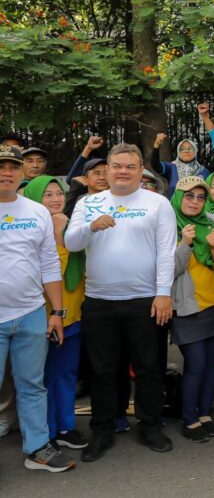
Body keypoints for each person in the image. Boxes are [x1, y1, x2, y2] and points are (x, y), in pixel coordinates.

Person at [65, 143, 177, 460]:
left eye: (130, 166)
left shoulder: (157, 203)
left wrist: (163, 293)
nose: (123, 171)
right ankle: (102, 430)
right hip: (100, 301)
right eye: (117, 166)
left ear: (140, 170)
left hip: (145, 301)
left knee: (148, 368)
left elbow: (166, 252)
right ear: (108, 170)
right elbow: (71, 243)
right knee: (102, 371)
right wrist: (91, 226)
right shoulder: (89, 203)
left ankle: (151, 425)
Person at [0, 147, 76, 472]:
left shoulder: (36, 211)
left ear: (21, 172)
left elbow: (48, 263)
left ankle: (37, 450)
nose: (6, 172)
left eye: (12, 166)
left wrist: (57, 313)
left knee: (32, 384)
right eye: (0, 166)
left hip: (31, 312)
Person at [23, 177, 87, 451]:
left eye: (58, 193)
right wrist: (58, 237)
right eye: (46, 195)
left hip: (74, 316)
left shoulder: (70, 226)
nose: (55, 199)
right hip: (45, 316)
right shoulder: (31, 233)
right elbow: (50, 276)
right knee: (44, 379)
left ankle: (65, 426)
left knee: (67, 374)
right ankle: (44, 433)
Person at [169, 177, 214, 443]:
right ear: (179, 197)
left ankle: (204, 415)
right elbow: (168, 271)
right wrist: (185, 244)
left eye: (200, 197)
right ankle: (189, 419)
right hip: (187, 308)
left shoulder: (212, 222)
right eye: (189, 196)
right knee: (196, 363)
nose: (195, 202)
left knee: (211, 365)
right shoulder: (169, 225)